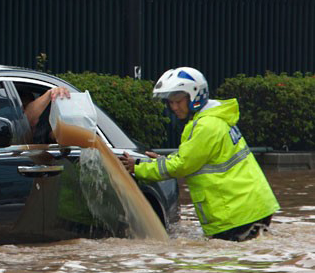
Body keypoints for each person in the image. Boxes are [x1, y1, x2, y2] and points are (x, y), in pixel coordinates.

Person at [119, 67, 279, 241]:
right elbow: (193, 157)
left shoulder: (206, 126)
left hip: (237, 213)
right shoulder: (212, 119)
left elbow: (183, 165)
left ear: (195, 96)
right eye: (171, 102)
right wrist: (163, 161)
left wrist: (138, 168)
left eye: (178, 101)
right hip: (248, 208)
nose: (174, 107)